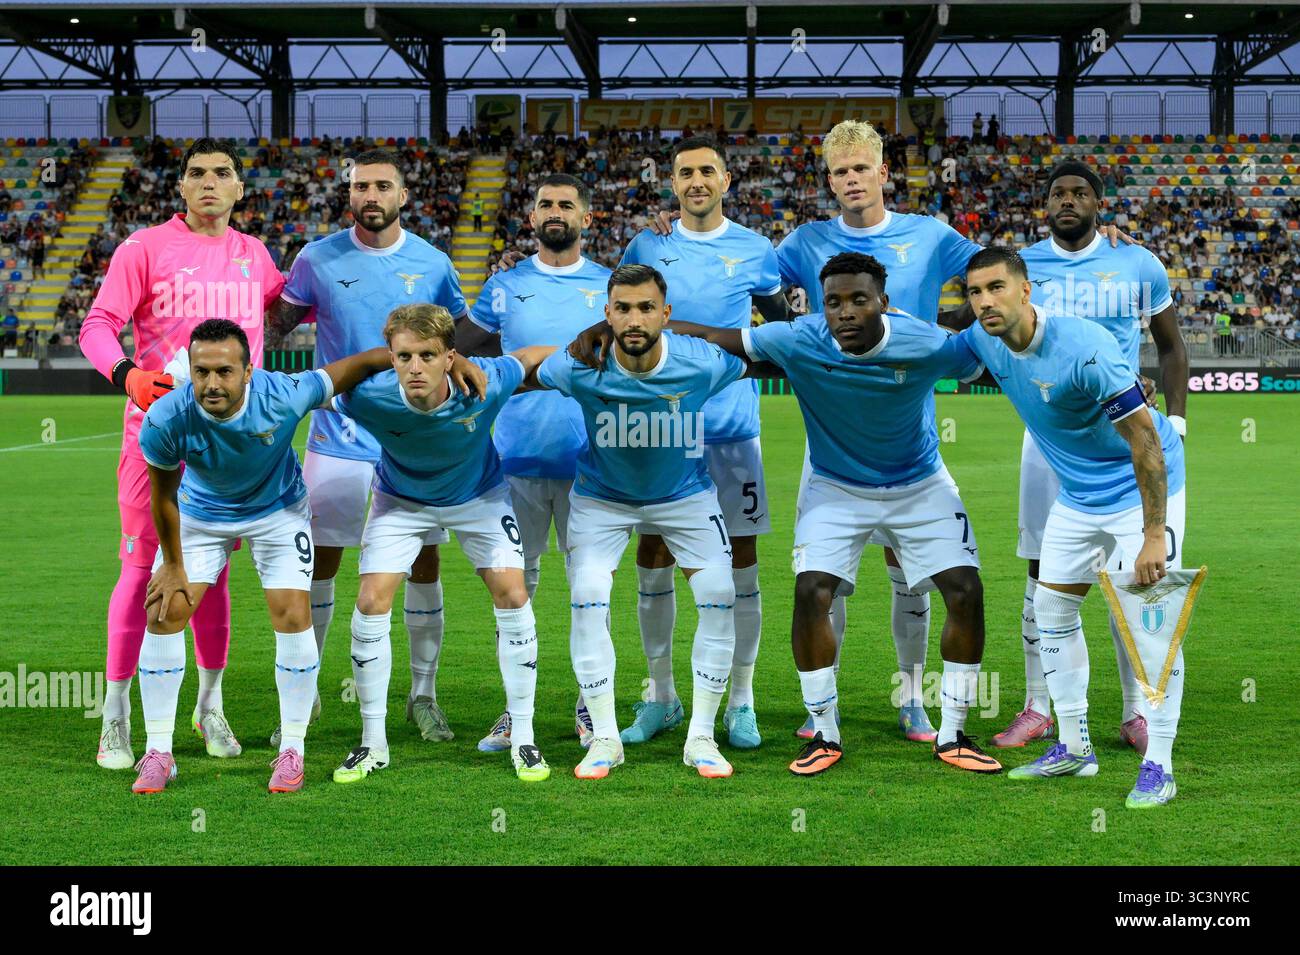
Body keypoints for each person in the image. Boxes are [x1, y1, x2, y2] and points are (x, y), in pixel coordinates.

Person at [644, 253, 999, 777]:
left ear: (884, 301)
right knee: (812, 590)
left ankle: (954, 733)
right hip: (835, 486)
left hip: (919, 484)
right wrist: (643, 323)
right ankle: (824, 733)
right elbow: (720, 338)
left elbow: (992, 361)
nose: (845, 312)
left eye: (859, 300)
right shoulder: (796, 338)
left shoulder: (924, 340)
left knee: (965, 589)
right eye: (833, 302)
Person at [132, 319, 432, 794]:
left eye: (225, 371)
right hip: (202, 515)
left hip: (278, 511)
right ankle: (158, 751)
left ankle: (292, 748)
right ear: (190, 370)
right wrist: (172, 564)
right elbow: (163, 497)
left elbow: (346, 369)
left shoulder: (285, 393)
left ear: (249, 371)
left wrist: (397, 356)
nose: (212, 383)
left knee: (293, 614)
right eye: (202, 371)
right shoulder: (167, 417)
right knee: (164, 611)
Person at [79, 137, 285, 771]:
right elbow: (96, 325)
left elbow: (285, 312)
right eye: (196, 173)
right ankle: (115, 715)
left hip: (231, 445)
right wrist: (129, 376)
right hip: (158, 434)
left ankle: (209, 703)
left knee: (212, 571)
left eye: (222, 174)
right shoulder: (144, 248)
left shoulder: (256, 256)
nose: (208, 184)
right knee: (143, 569)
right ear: (182, 186)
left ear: (239, 189)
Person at [955, 248, 1187, 808]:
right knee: (1051, 610)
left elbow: (1147, 445)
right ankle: (1074, 745)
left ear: (1026, 290)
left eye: (996, 288)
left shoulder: (1083, 348)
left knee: (1150, 620)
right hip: (1079, 496)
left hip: (1142, 490)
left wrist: (1154, 534)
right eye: (975, 292)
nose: (985, 301)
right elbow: (920, 344)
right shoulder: (982, 340)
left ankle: (1160, 764)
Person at [265, 148, 468, 747]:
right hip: (336, 439)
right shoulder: (316, 259)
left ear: (404, 195)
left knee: (423, 564)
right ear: (349, 195)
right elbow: (273, 327)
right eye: (360, 187)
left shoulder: (432, 263)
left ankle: (423, 695)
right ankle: (306, 696)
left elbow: (457, 343)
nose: (370, 196)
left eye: (382, 186)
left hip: (412, 443)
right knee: (318, 563)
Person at [534, 264, 765, 780]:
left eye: (645, 308)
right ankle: (605, 738)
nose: (633, 319)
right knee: (587, 595)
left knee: (720, 595)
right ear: (606, 314)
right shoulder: (579, 364)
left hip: (685, 495)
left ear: (666, 314)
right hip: (601, 499)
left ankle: (701, 736)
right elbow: (530, 371)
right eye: (622, 308)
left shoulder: (703, 363)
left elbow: (767, 359)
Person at [991, 160, 1189, 749]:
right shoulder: (1023, 267)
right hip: (1049, 442)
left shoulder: (1138, 262)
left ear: (1100, 205)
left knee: (1131, 577)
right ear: (1044, 205)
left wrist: (1174, 422)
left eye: (1081, 193)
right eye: (1058, 193)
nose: (1069, 201)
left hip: (1124, 439)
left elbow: (1172, 348)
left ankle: (1137, 710)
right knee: (1043, 576)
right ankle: (1037, 706)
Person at [610, 137, 789, 750]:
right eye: (684, 172)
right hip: (660, 429)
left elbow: (780, 331)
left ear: (726, 180)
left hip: (732, 431)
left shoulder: (757, 250)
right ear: (672, 182)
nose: (695, 181)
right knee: (654, 556)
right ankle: (660, 695)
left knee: (740, 563)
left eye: (706, 171)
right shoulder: (647, 244)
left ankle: (740, 699)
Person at [328, 305, 553, 784]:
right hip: (400, 502)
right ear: (390, 358)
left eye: (427, 355)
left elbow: (532, 356)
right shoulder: (369, 397)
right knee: (369, 601)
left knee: (513, 594)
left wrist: (599, 348)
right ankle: (372, 744)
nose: (414, 367)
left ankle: (525, 737)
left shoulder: (485, 381)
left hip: (479, 497)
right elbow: (308, 393)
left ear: (450, 357)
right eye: (403, 356)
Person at [456, 173, 613, 752]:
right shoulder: (503, 286)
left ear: (586, 218)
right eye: (545, 202)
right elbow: (462, 350)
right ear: (531, 217)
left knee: (589, 590)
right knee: (514, 591)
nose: (555, 211)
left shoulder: (608, 286)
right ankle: (512, 711)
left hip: (592, 463)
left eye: (567, 204)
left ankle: (589, 706)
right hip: (514, 460)